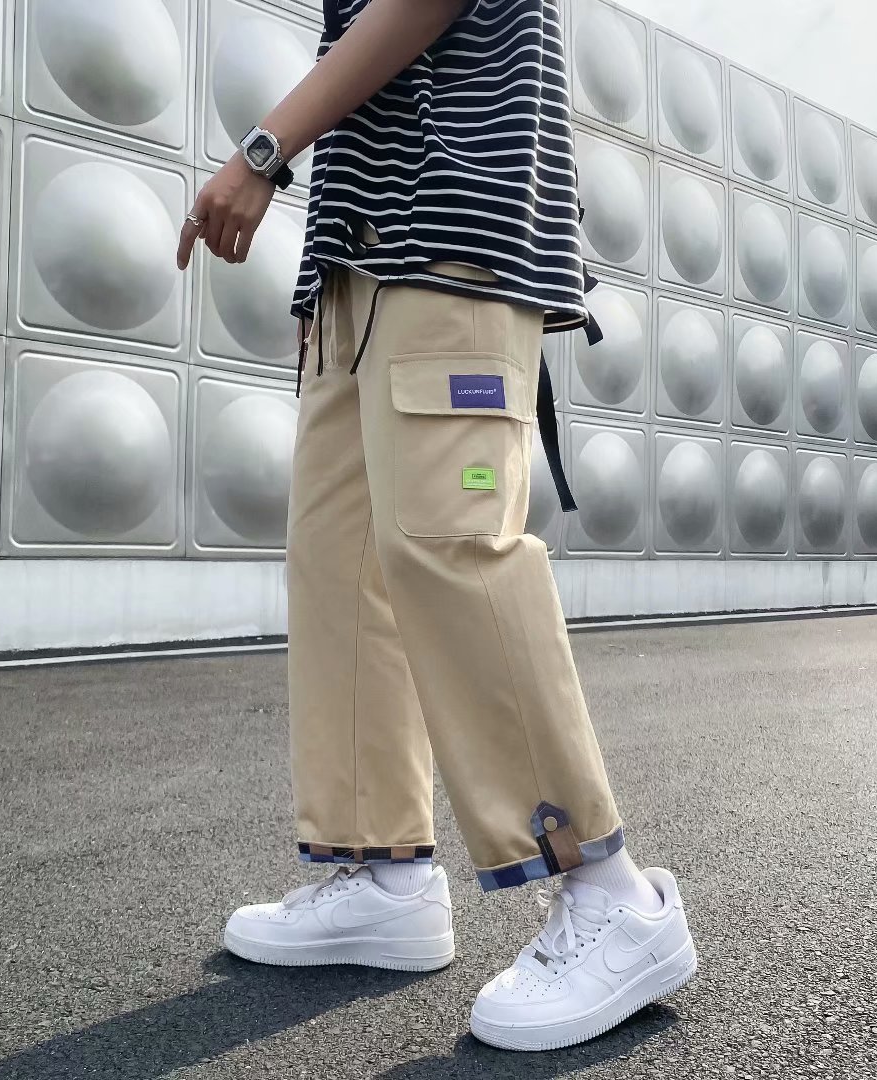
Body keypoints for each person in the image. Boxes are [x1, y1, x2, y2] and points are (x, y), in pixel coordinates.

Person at [176, 0, 695, 1052]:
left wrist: (265, 150)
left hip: (453, 237)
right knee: (339, 567)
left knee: (451, 548)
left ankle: (611, 893)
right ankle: (382, 874)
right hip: (352, 272)